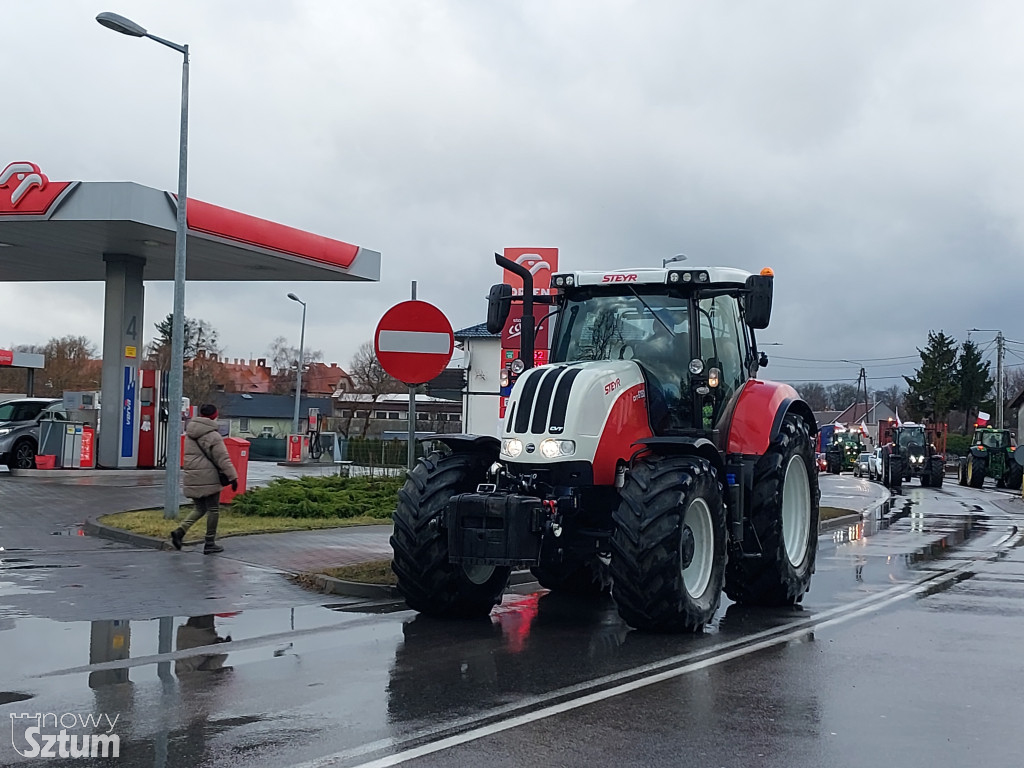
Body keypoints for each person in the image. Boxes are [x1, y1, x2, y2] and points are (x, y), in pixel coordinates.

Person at [170, 403, 238, 554]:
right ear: (214, 415)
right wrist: (233, 477)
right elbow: (223, 459)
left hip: (193, 475)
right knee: (213, 509)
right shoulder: (213, 435)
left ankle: (180, 532)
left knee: (200, 508)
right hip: (209, 477)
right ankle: (210, 543)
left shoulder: (190, 433)